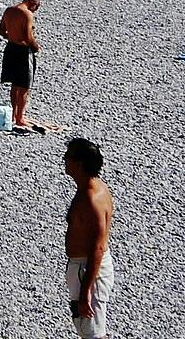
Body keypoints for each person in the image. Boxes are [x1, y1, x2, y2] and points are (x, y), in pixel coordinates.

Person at [63, 137, 116, 338]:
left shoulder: (91, 199)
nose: (65, 160)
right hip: (85, 267)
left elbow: (98, 248)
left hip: (87, 269)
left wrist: (85, 293)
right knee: (90, 326)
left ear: (80, 163)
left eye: (68, 157)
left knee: (92, 331)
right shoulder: (95, 188)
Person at [0, 0, 43, 131]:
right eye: (36, 7)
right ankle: (20, 118)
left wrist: (12, 37)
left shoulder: (9, 10)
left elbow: (1, 30)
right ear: (32, 3)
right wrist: (35, 47)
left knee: (14, 83)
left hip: (10, 48)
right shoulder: (27, 14)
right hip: (23, 51)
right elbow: (28, 36)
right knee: (24, 85)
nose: (35, 10)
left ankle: (13, 115)